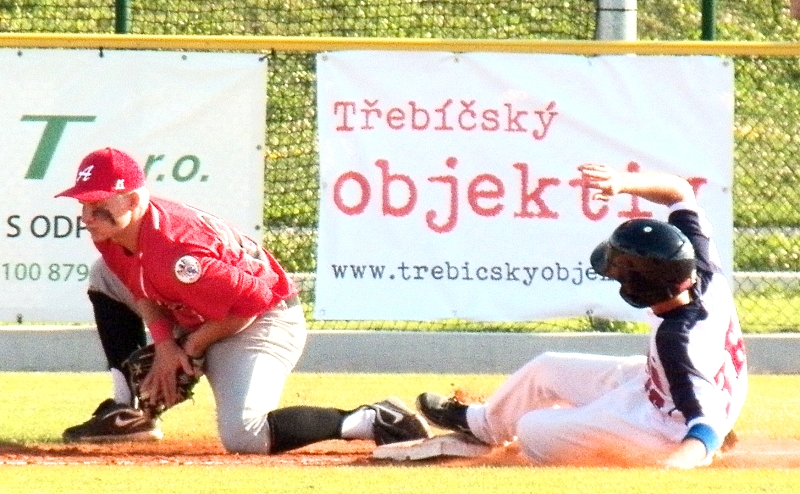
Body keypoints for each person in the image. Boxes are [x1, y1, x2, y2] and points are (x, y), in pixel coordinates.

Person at [56, 147, 431, 453]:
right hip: (201, 307)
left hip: (263, 320)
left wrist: (190, 347)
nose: (87, 216)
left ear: (133, 200)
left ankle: (372, 418)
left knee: (245, 436)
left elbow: (256, 301)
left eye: (98, 203)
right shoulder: (112, 231)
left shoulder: (181, 254)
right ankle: (129, 412)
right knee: (102, 276)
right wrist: (165, 345)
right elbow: (139, 284)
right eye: (83, 204)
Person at [415, 163, 748, 468]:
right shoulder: (700, 270)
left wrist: (671, 466)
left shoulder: (679, 340)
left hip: (664, 427)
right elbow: (680, 191)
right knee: (546, 368)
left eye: (619, 271)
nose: (614, 273)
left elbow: (708, 425)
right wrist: (623, 182)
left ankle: (609, 431)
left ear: (638, 286)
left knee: (532, 429)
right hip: (667, 386)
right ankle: (482, 424)